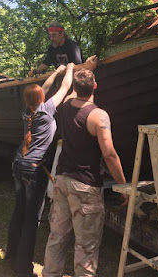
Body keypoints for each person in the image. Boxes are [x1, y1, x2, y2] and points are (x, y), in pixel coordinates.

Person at [42, 69, 128, 277]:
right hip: (85, 187)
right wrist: (124, 187)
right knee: (86, 245)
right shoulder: (98, 115)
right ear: (95, 86)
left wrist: (72, 69)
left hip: (61, 182)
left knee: (57, 237)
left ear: (75, 88)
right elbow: (109, 155)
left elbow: (69, 92)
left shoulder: (64, 107)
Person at [6, 63, 75, 277]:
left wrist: (55, 71)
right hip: (33, 171)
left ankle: (11, 254)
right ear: (41, 99)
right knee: (31, 219)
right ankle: (23, 269)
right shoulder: (46, 110)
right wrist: (71, 68)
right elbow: (64, 88)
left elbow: (44, 88)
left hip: (18, 165)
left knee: (19, 211)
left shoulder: (27, 111)